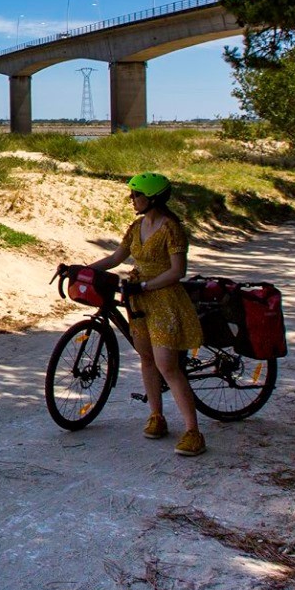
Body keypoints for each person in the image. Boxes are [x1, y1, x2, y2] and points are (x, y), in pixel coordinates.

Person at [81, 172, 206, 456]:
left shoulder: (170, 228)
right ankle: (156, 416)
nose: (132, 200)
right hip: (138, 300)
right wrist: (83, 269)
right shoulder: (137, 226)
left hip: (164, 300)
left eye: (136, 195)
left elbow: (178, 271)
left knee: (168, 366)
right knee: (147, 358)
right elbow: (116, 258)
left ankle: (193, 431)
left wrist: (147, 285)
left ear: (152, 198)